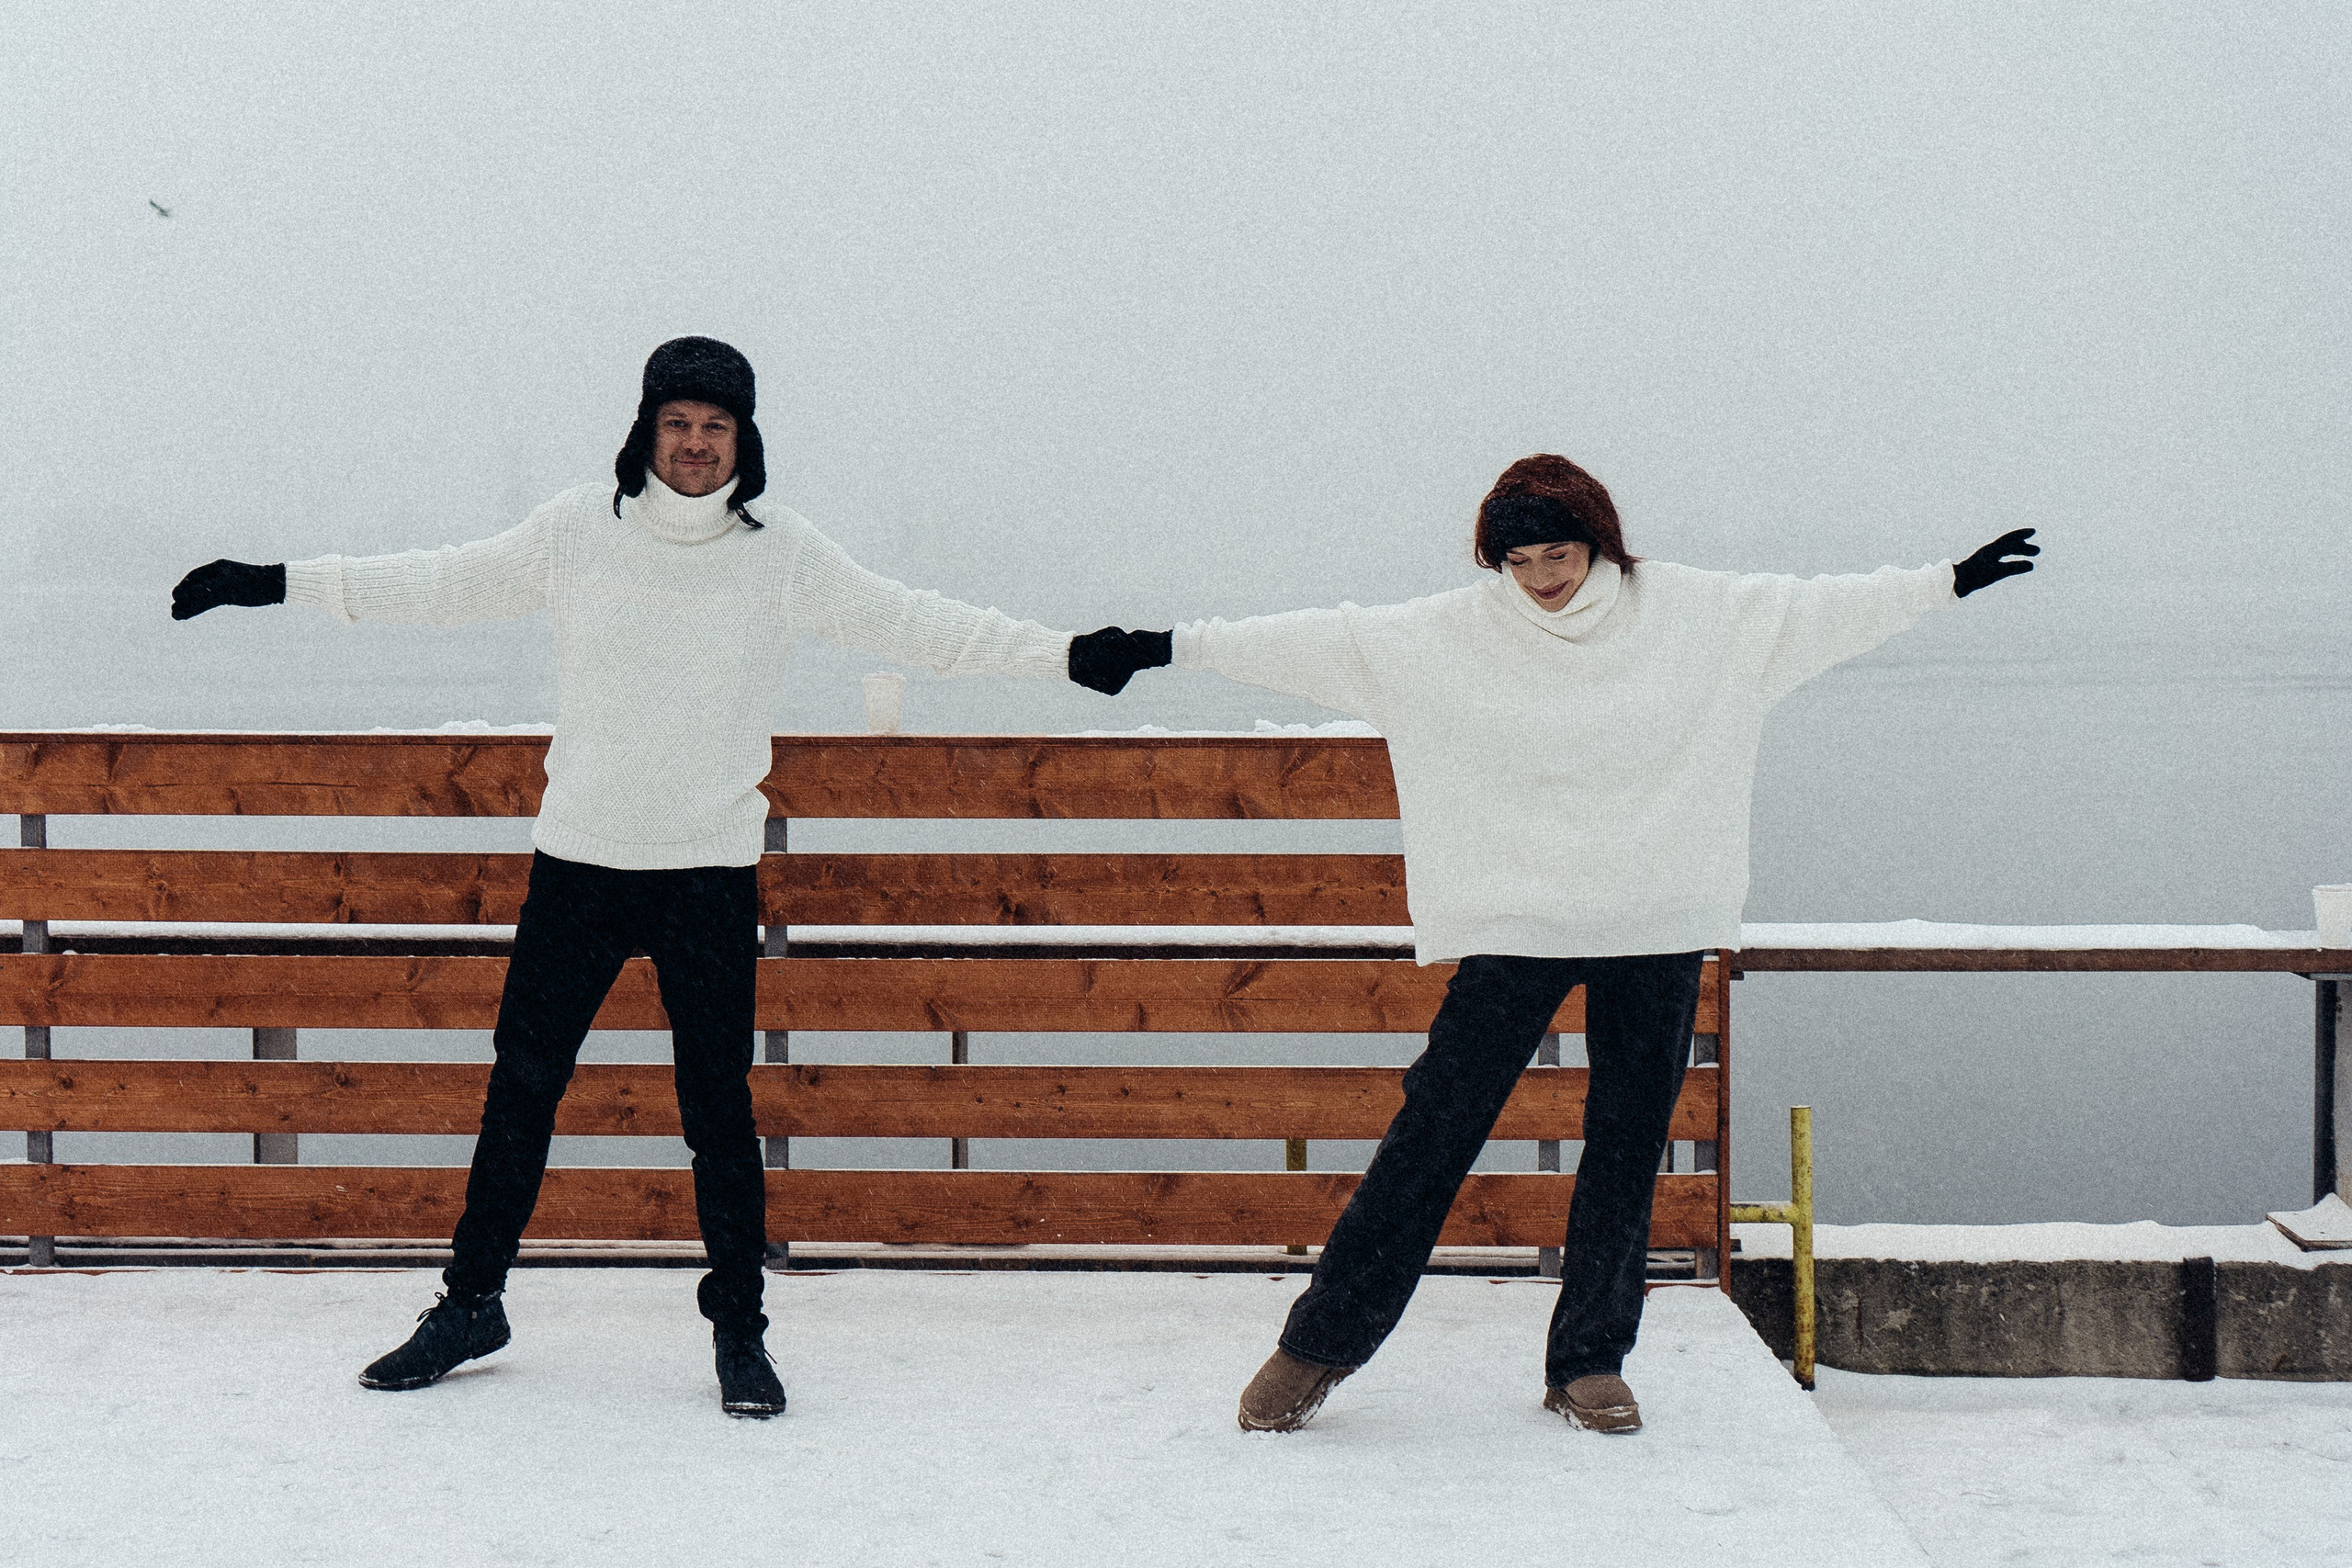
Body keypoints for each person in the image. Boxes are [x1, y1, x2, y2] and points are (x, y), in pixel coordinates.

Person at [170, 337, 1151, 1417]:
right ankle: (470, 1304)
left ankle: (740, 1330)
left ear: (743, 441)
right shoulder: (574, 532)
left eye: (714, 427)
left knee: (717, 1114)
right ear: (646, 430)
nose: (693, 444)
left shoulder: (783, 556)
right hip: (580, 864)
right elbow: (438, 582)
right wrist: (278, 582)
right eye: (677, 423)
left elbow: (918, 624)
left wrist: (1063, 653)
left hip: (706, 875)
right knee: (520, 1093)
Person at [1076, 454, 2037, 1435]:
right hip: (1517, 923)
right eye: (1520, 559)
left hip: (1654, 921)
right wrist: (1163, 646)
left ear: (1599, 544)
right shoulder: (1454, 634)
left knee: (1627, 1142)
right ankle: (1319, 1344)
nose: (1541, 577)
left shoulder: (1694, 616)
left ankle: (1588, 1362)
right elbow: (1318, 640)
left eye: (1558, 554)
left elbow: (1820, 610)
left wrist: (1946, 581)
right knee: (1433, 1130)